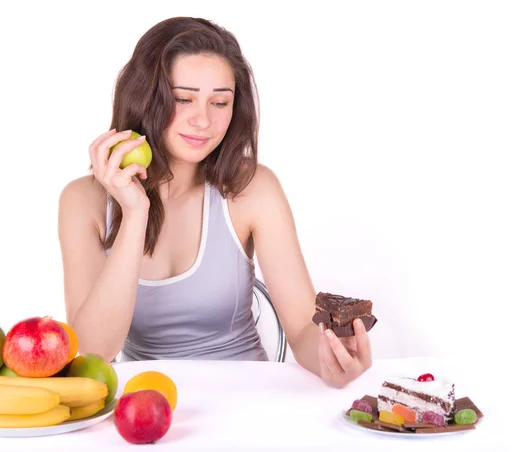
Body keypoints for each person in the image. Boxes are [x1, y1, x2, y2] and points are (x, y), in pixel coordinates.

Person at [57, 16, 371, 388]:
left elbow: (304, 332)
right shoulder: (82, 202)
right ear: (145, 98)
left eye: (219, 102)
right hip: (146, 404)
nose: (203, 120)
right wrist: (135, 212)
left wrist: (333, 358)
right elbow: (92, 354)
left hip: (247, 400)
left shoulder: (254, 187)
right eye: (182, 98)